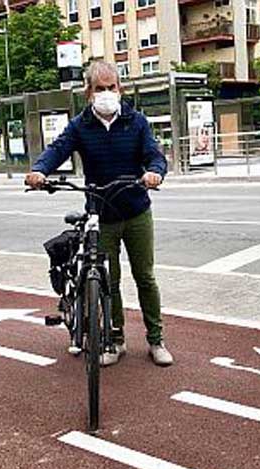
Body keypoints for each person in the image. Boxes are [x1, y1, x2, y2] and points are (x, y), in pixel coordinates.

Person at [25, 61, 173, 368]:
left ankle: (156, 340)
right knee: (110, 281)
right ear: (89, 92)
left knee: (145, 276)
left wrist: (155, 173)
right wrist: (40, 170)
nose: (107, 93)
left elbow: (154, 156)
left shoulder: (136, 122)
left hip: (135, 211)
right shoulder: (81, 125)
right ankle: (115, 340)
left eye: (112, 87)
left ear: (120, 88)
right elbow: (58, 149)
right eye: (100, 88)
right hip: (101, 214)